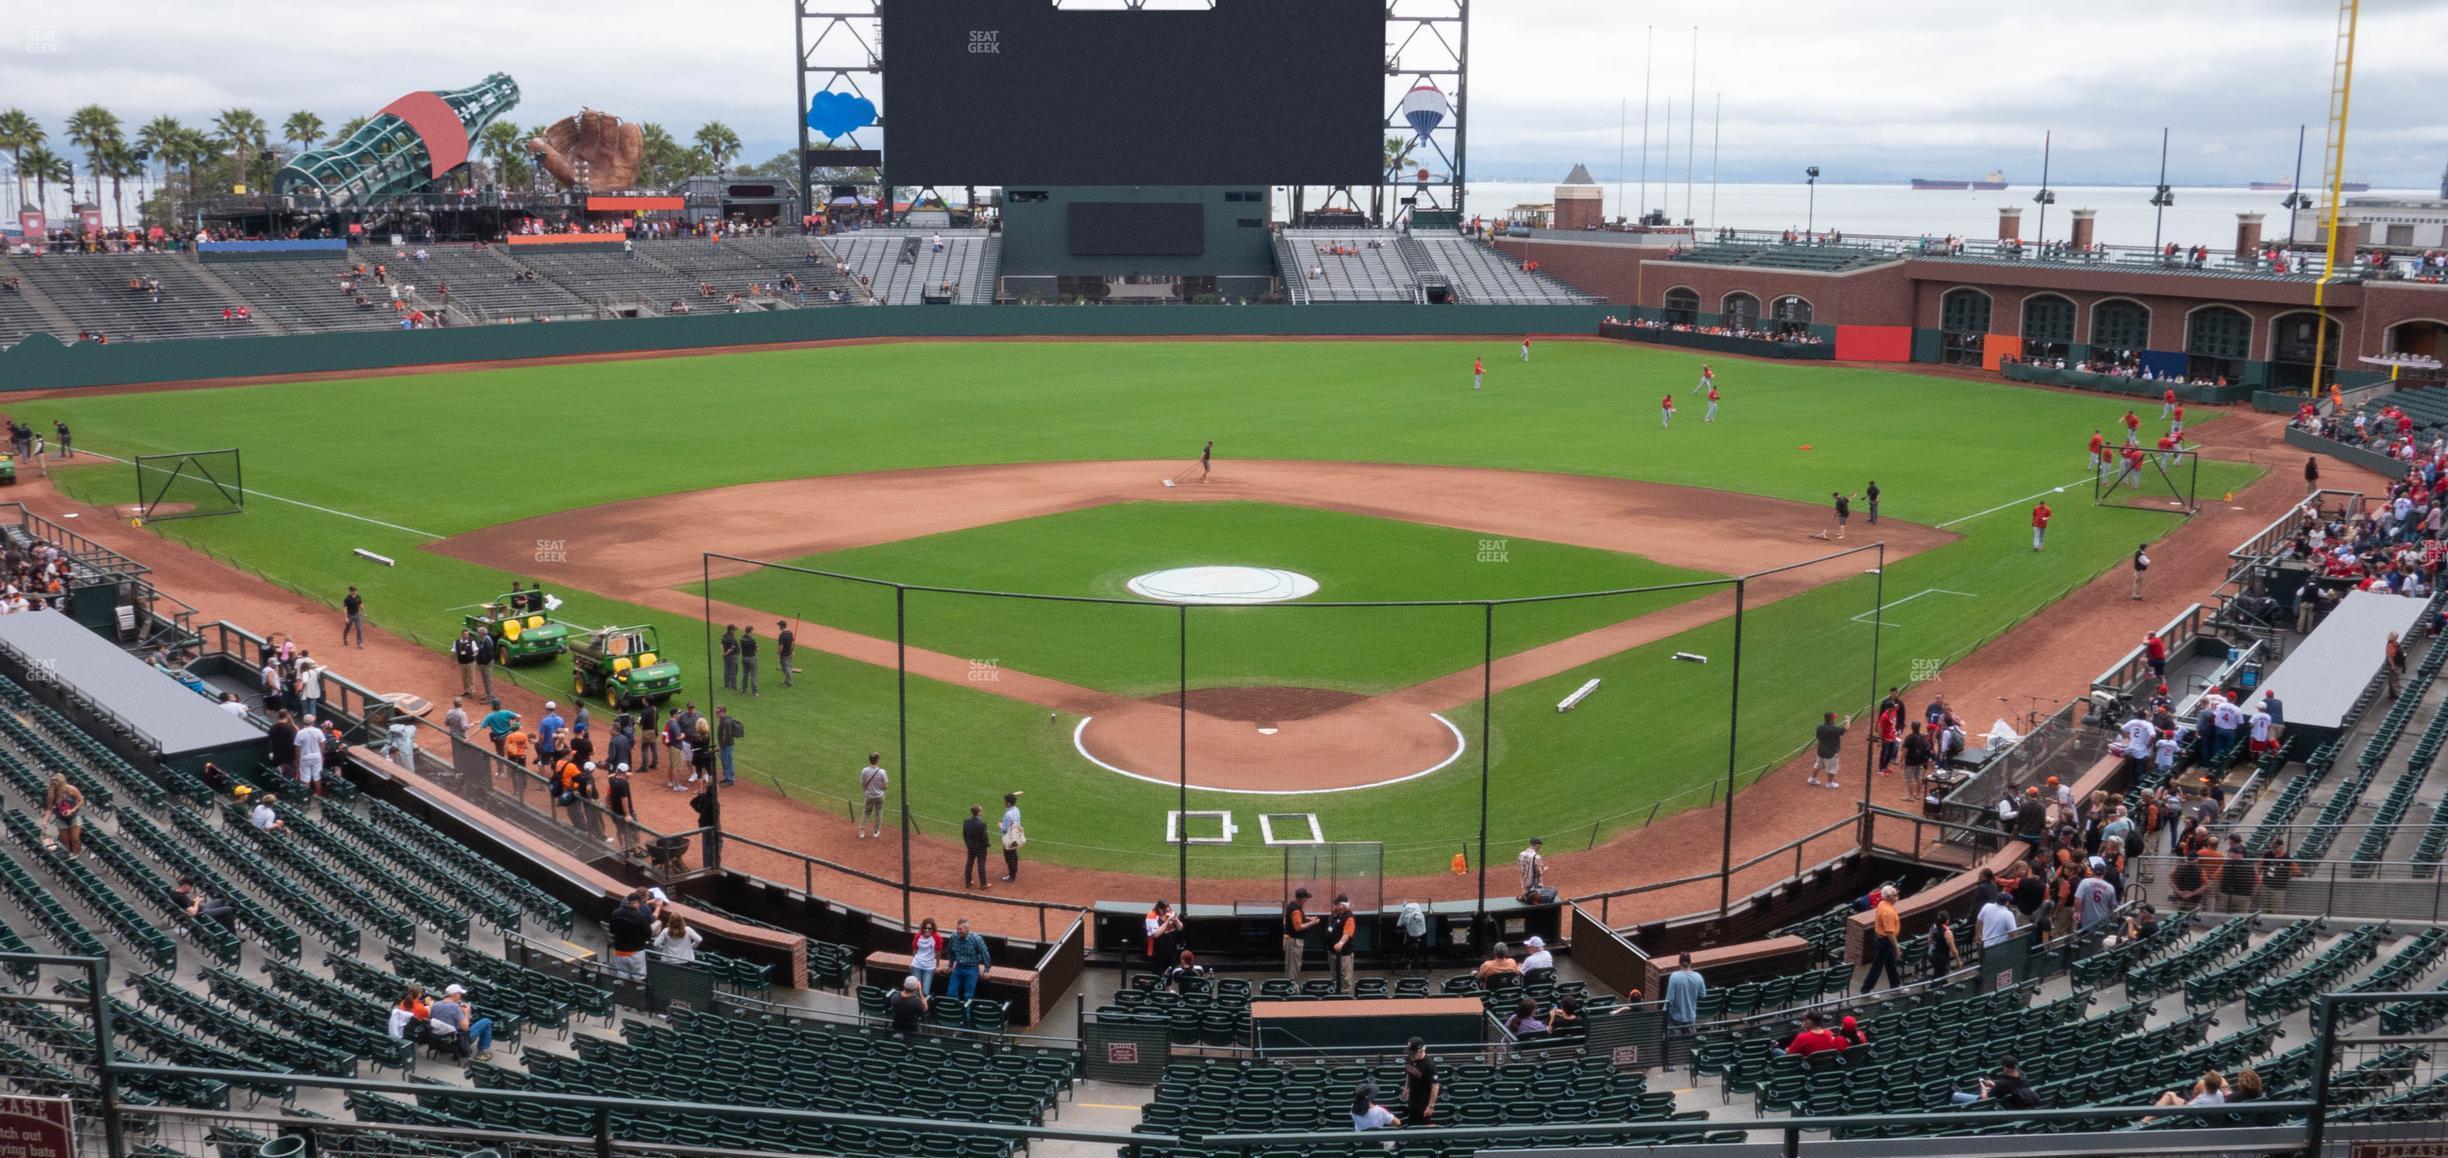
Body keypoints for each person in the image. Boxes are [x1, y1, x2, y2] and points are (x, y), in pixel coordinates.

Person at [428, 984, 494, 1061]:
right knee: (487, 1021)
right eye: (460, 994)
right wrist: (466, 1012)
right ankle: (482, 1051)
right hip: (456, 1040)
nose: (460, 996)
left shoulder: (435, 1005)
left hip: (438, 1038)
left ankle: (445, 1050)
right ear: (455, 995)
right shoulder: (455, 1007)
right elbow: (465, 1028)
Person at [605, 890, 656, 983]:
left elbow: (612, 930)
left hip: (619, 951)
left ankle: (625, 996)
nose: (640, 905)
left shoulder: (615, 913)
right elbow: (648, 934)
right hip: (636, 953)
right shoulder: (639, 916)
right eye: (639, 903)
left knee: (623, 978)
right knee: (639, 979)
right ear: (635, 903)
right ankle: (637, 997)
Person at [1861, 885, 1904, 993]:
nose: (1898, 896)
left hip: (1883, 940)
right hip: (1885, 941)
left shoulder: (1883, 904)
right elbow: (1890, 933)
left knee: (1891, 965)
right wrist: (1897, 947)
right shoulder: (1887, 911)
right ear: (1889, 897)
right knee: (1877, 967)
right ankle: (1865, 990)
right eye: (1895, 895)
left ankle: (1895, 986)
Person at [945, 918, 991, 1016]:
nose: (958, 931)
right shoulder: (953, 937)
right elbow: (951, 951)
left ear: (967, 929)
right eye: (957, 929)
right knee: (951, 994)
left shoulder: (976, 939)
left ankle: (966, 1022)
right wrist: (950, 965)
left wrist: (987, 970)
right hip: (958, 968)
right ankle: (957, 1016)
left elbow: (985, 953)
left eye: (960, 929)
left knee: (968, 996)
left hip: (972, 969)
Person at [1952, 1056, 2037, 1107]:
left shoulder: (2003, 1084)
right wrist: (1994, 1085)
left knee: (1955, 1096)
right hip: (2005, 1103)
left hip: (1984, 1104)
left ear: (2006, 1068)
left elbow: (1985, 1098)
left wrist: (1983, 1086)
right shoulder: (2024, 1080)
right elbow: (2009, 1087)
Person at [1662, 953, 1705, 1037]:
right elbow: (1702, 995)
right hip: (1691, 1017)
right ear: (1690, 962)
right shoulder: (1698, 977)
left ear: (1679, 963)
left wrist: (1665, 1015)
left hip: (1676, 1018)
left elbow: (1669, 1000)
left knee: (1674, 1044)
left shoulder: (1674, 976)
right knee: (1689, 1043)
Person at [1401, 1037, 1440, 1127]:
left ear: (1420, 1051)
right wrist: (1406, 1088)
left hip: (1424, 1101)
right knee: (1412, 1123)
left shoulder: (1429, 1065)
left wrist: (1430, 1106)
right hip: (1413, 1098)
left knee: (1425, 1125)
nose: (1411, 1056)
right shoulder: (1410, 1058)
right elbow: (1409, 1072)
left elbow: (1435, 1086)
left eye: (1413, 1054)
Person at [43, 774, 82, 856]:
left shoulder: (71, 789)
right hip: (60, 818)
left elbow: (81, 801)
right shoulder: (51, 794)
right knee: (64, 840)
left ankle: (75, 854)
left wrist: (72, 810)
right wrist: (45, 821)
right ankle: (67, 854)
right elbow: (49, 809)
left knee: (74, 838)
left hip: (74, 816)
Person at [1326, 895, 1359, 992]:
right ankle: (1335, 992)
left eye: (1336, 904)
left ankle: (1344, 995)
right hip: (1332, 951)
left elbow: (1347, 933)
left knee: (1344, 976)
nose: (1334, 905)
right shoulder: (1334, 914)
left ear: (1343, 906)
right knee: (1335, 975)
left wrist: (1340, 943)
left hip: (1344, 953)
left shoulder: (1349, 917)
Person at [1776, 1012, 1845, 1057]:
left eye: (1805, 1020)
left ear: (1809, 1022)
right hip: (1823, 1065)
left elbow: (1790, 1054)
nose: (1803, 1022)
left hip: (1808, 1066)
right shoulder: (1829, 1033)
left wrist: (1786, 1049)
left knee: (1776, 1051)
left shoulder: (1802, 1037)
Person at [1809, 711, 1849, 789]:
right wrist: (1848, 720)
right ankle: (1829, 783)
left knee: (1818, 765)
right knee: (1832, 768)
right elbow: (1846, 729)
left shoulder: (1820, 727)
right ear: (1832, 719)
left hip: (1821, 750)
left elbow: (1818, 737)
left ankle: (1812, 779)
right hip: (1831, 752)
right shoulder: (1834, 729)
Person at [1282, 887, 1316, 979]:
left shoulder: (1292, 904)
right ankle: (1293, 988)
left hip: (1290, 940)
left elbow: (1297, 918)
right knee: (1294, 966)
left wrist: (1308, 918)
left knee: (1290, 965)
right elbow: (1298, 927)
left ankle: (1290, 985)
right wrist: (1312, 923)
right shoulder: (1296, 910)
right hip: (1294, 942)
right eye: (1305, 898)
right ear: (1302, 899)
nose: (1306, 900)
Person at [910, 917, 946, 995]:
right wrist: (913, 961)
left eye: (929, 928)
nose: (927, 930)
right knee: (915, 991)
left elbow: (938, 952)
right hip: (917, 965)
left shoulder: (937, 938)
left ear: (933, 929)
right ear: (922, 928)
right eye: (925, 928)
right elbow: (915, 948)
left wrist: (937, 965)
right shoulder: (918, 936)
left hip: (929, 967)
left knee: (925, 992)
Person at [1144, 900, 1183, 969]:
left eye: (1168, 908)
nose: (1167, 910)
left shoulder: (1170, 913)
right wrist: (1167, 922)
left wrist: (1176, 921)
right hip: (1157, 951)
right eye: (1165, 909)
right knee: (1159, 974)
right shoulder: (1151, 915)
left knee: (1170, 973)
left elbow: (1180, 928)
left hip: (1171, 950)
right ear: (1159, 908)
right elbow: (1156, 934)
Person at [962, 804, 993, 890]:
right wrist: (987, 844)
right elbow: (984, 837)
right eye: (981, 810)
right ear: (979, 812)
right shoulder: (982, 824)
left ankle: (968, 882)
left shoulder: (966, 822)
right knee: (981, 865)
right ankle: (983, 884)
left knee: (969, 863)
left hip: (971, 847)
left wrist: (968, 844)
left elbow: (964, 835)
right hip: (981, 848)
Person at [887, 976, 927, 1041]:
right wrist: (920, 992)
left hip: (896, 1027)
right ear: (916, 987)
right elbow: (925, 1009)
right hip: (911, 1029)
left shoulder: (894, 996)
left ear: (904, 985)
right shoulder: (916, 1001)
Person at [858, 753, 889, 838]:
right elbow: (886, 786)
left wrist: (867, 790)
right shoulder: (882, 772)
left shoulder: (864, 771)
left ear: (869, 760)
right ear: (877, 760)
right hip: (879, 796)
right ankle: (876, 831)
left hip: (869, 796)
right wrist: (881, 789)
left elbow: (863, 783)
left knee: (866, 813)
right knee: (878, 813)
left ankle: (862, 831)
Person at [1926, 909, 1961, 976]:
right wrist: (1958, 960)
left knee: (1940, 974)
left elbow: (1929, 940)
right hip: (1941, 958)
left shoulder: (1933, 926)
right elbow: (1953, 948)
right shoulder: (1947, 932)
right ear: (1947, 920)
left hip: (1932, 955)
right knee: (1940, 977)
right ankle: (1934, 986)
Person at [998, 792, 1024, 881]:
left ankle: (1011, 876)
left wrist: (1000, 825)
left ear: (1008, 803)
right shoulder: (1017, 810)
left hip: (1009, 838)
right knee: (1014, 853)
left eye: (1005, 801)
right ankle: (1014, 872)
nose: (1003, 803)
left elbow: (1004, 829)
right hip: (1016, 835)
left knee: (1008, 856)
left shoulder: (1007, 815)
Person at [1517, 837, 1549, 902]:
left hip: (1524, 882)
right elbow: (1540, 872)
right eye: (1540, 845)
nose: (1540, 847)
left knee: (1527, 899)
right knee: (1536, 901)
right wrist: (1544, 869)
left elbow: (1519, 865)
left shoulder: (1521, 854)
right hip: (1534, 884)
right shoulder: (1536, 856)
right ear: (1537, 845)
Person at [738, 625, 760, 697]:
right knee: (753, 675)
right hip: (751, 658)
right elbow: (757, 649)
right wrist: (757, 646)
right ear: (751, 631)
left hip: (744, 658)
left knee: (745, 674)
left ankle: (744, 690)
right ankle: (755, 692)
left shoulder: (741, 638)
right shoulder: (751, 640)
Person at [775, 620, 797, 687]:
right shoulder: (790, 632)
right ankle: (786, 681)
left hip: (784, 655)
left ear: (781, 626)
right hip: (789, 653)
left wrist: (778, 654)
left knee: (786, 669)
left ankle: (789, 683)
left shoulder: (782, 636)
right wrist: (792, 651)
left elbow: (781, 647)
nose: (778, 627)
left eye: (779, 625)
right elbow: (793, 643)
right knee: (788, 668)